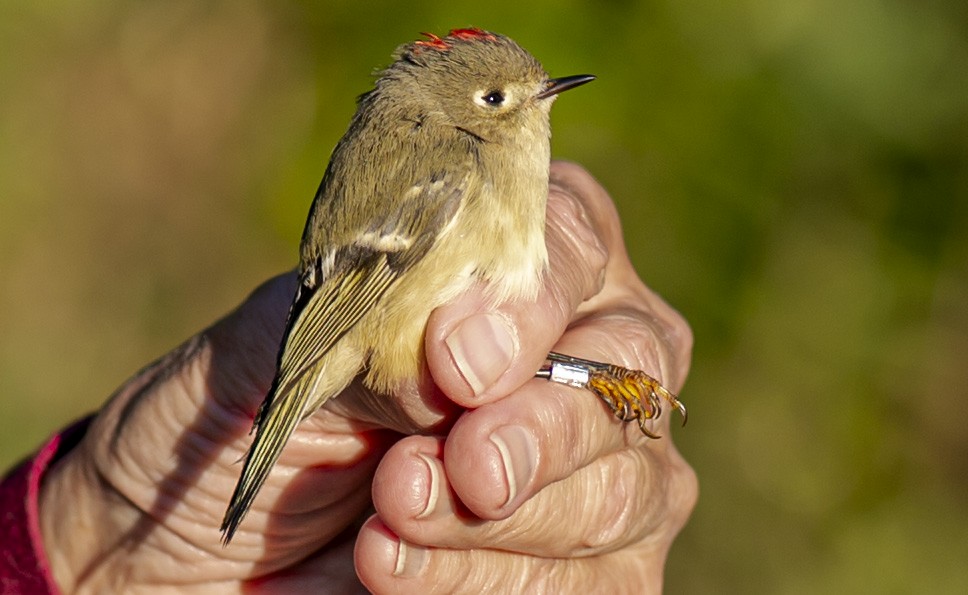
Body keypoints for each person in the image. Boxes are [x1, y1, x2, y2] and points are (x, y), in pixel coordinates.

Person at [0, 162, 697, 593]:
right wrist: (94, 543)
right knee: (470, 379)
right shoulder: (452, 166)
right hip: (352, 332)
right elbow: (356, 303)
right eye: (499, 99)